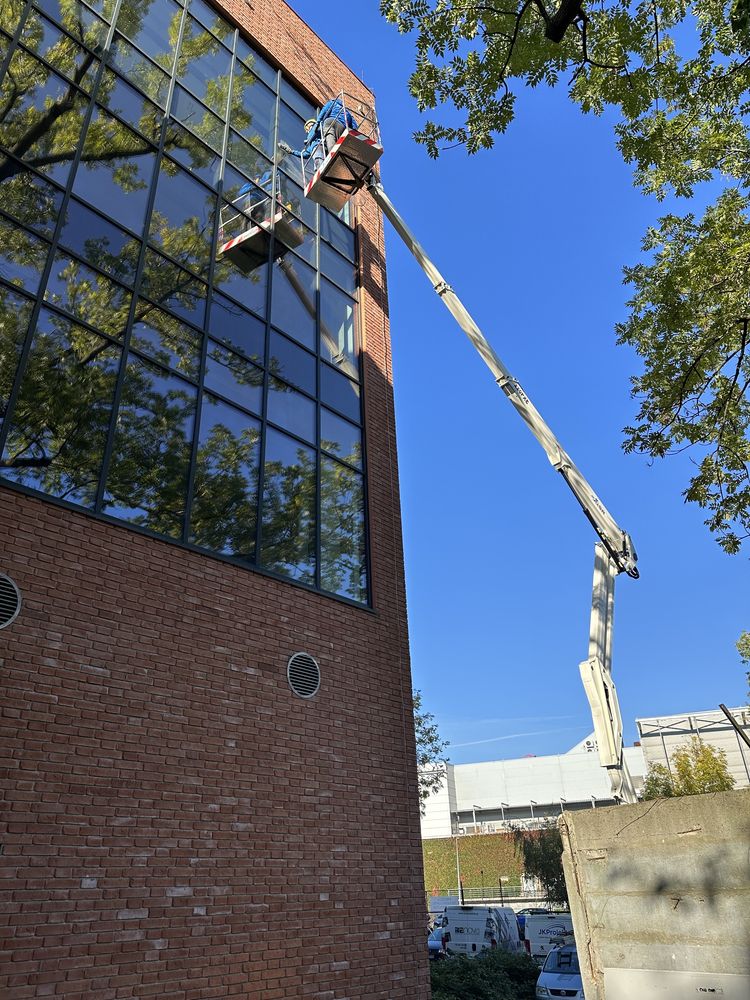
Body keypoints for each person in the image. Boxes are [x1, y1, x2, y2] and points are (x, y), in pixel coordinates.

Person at [279, 97, 358, 171]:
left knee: (329, 139)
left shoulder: (317, 129)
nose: (310, 128)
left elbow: (323, 112)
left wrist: (317, 124)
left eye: (311, 126)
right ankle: (328, 162)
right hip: (340, 129)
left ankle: (332, 156)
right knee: (323, 152)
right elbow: (306, 155)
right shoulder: (346, 111)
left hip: (321, 145)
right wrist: (291, 151)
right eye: (308, 127)